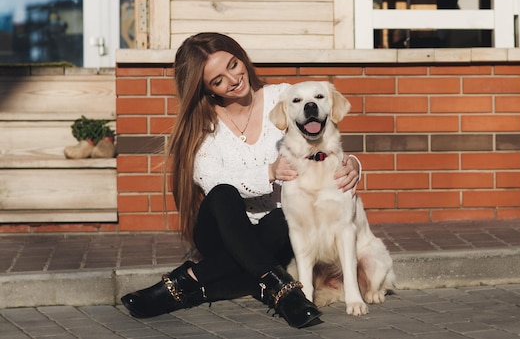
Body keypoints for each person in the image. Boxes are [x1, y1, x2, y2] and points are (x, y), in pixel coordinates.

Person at [121, 32, 361, 329]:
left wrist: (352, 165)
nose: (233, 79)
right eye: (218, 80)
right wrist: (268, 172)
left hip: (277, 231)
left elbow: (326, 143)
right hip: (223, 233)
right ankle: (282, 290)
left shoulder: (285, 97)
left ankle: (189, 284)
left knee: (283, 218)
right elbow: (211, 181)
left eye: (234, 65)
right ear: (206, 89)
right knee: (223, 193)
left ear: (241, 57)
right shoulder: (204, 125)